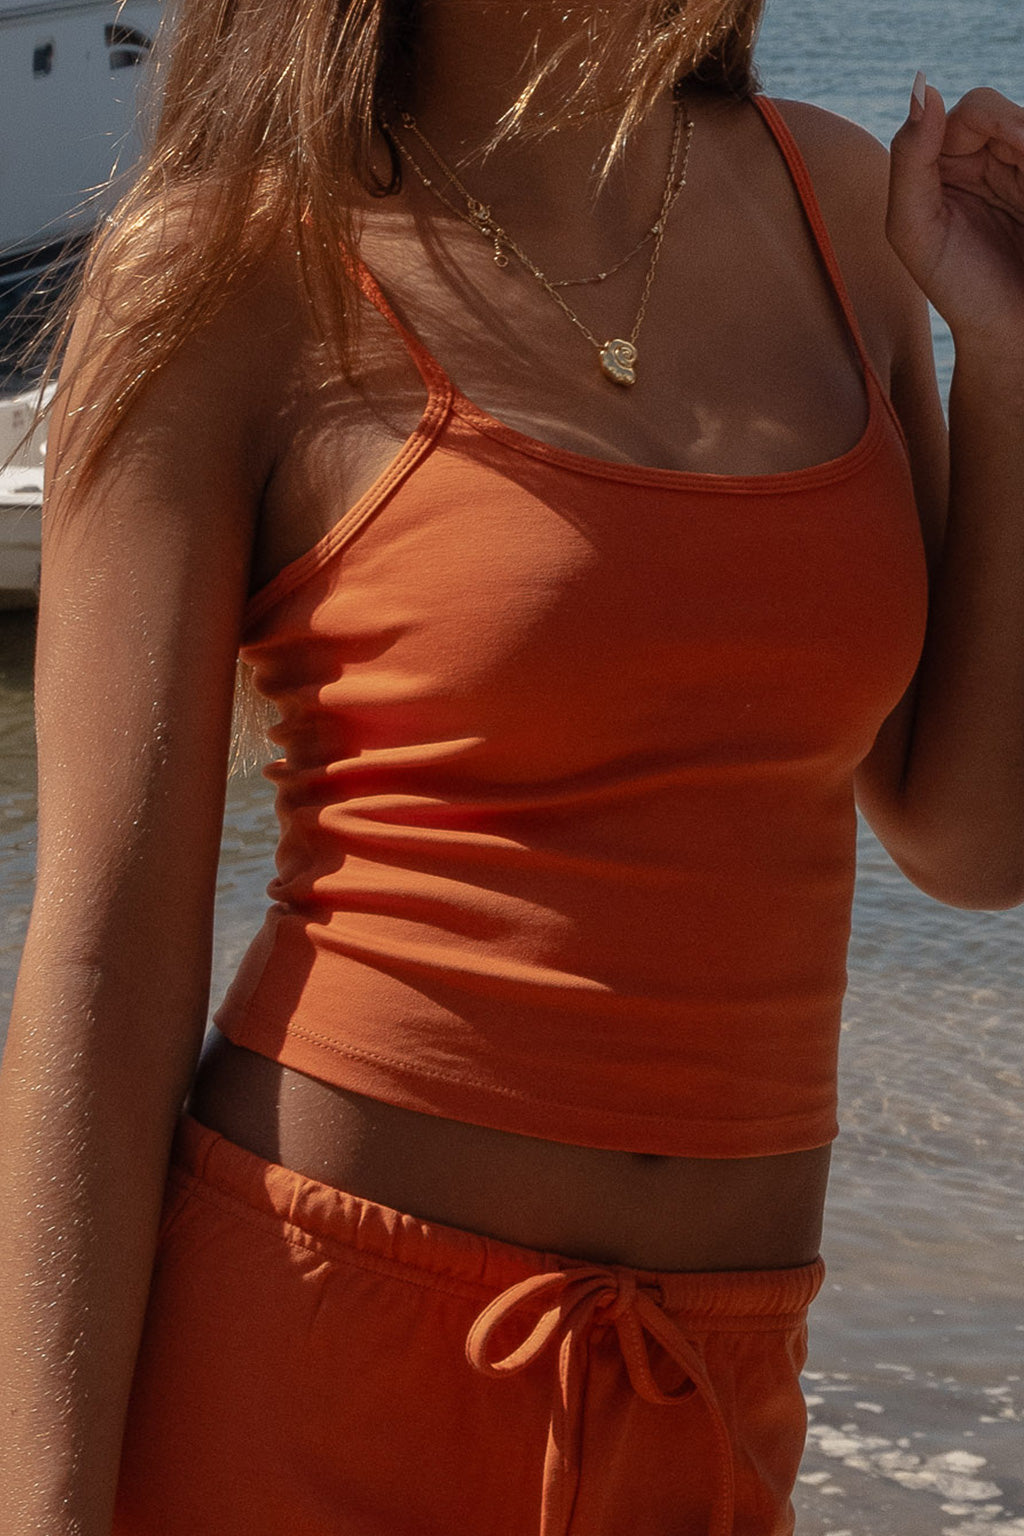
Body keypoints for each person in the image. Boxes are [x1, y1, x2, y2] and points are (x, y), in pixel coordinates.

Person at [2, 0, 1023, 1531]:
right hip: (317, 1354)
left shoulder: (847, 213)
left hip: (711, 1386)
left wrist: (1008, 356)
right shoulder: (232, 266)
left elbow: (972, 838)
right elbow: (104, 960)